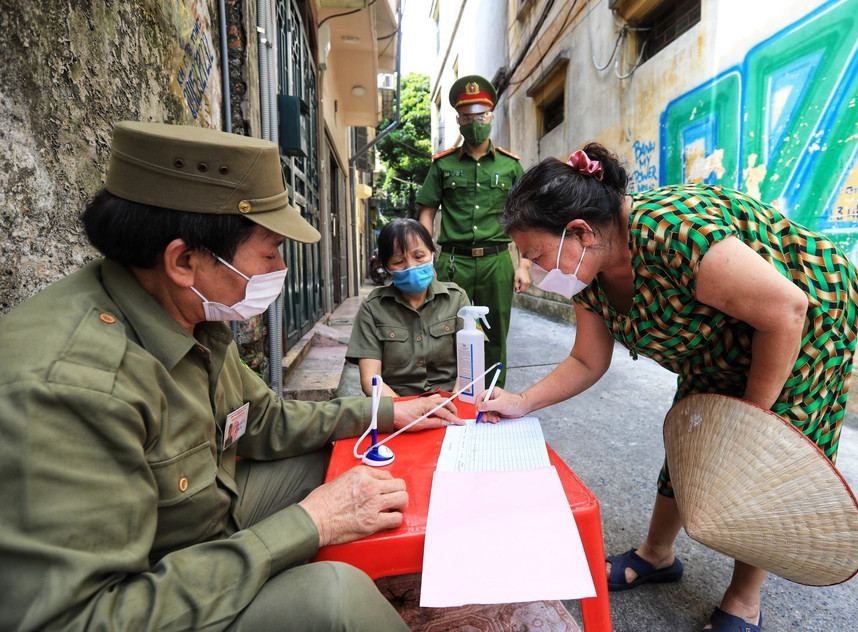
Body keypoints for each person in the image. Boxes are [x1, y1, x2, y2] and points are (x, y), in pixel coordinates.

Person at [0, 121, 463, 631]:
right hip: (144, 591)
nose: (281, 266)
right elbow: (82, 619)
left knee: (348, 457)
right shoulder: (71, 386)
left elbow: (264, 420)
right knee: (333, 600)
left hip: (204, 520)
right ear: (185, 260)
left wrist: (386, 410)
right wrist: (311, 522)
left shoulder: (192, 310)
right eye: (269, 252)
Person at [476, 143, 858, 632]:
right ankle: (657, 554)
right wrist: (521, 401)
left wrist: (748, 426)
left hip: (803, 322)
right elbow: (587, 358)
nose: (534, 271)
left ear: (578, 232)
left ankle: (744, 601)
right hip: (721, 336)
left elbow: (784, 311)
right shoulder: (591, 270)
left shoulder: (674, 232)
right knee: (694, 436)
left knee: (760, 457)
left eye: (535, 254)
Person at [416, 74, 531, 389]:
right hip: (454, 262)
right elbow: (427, 210)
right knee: (448, 331)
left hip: (497, 262)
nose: (474, 121)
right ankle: (453, 397)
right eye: (467, 116)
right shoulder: (443, 165)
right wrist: (426, 258)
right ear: (458, 120)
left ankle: (494, 398)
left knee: (495, 334)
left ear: (491, 116)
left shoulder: (510, 167)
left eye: (480, 114)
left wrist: (524, 264)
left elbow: (522, 218)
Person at [346, 218, 470, 397]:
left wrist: (456, 403)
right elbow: (370, 379)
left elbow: (470, 366)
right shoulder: (372, 308)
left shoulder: (457, 299)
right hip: (399, 406)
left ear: (433, 254)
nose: (411, 267)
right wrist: (405, 413)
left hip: (451, 402)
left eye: (419, 257)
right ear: (387, 267)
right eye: (398, 262)